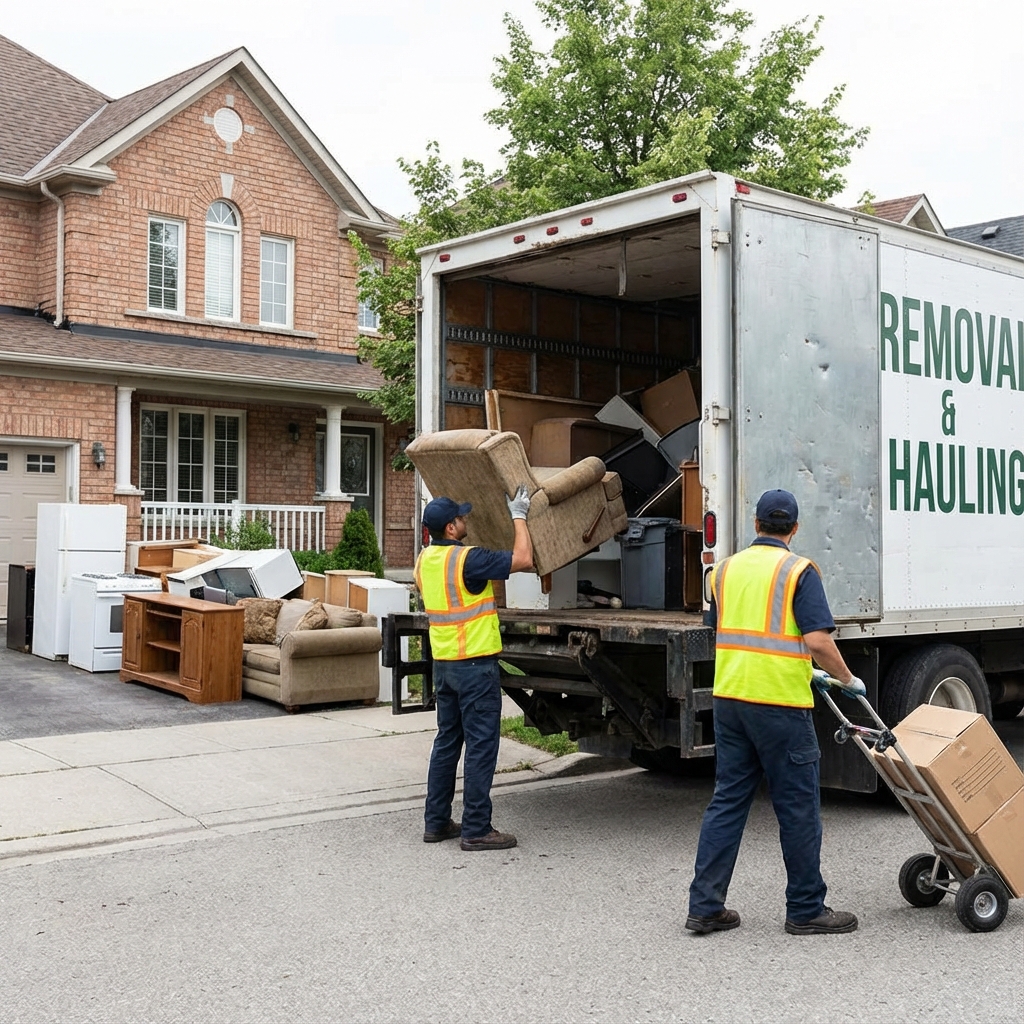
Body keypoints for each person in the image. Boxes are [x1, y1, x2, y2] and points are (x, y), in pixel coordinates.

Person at [686, 489, 866, 936]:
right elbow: (818, 641)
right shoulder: (799, 571)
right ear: (795, 529)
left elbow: (725, 631)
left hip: (731, 700)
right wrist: (845, 679)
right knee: (798, 808)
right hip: (780, 708)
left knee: (727, 801)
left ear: (756, 523)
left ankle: (705, 906)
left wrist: (805, 670)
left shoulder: (723, 571)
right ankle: (806, 909)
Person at [416, 486, 534, 851]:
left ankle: (436, 822)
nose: (466, 520)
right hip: (475, 666)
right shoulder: (468, 559)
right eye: (461, 517)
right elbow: (524, 559)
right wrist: (519, 514)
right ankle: (477, 829)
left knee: (447, 743)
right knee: (481, 747)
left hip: (445, 665)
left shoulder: (424, 561)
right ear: (451, 528)